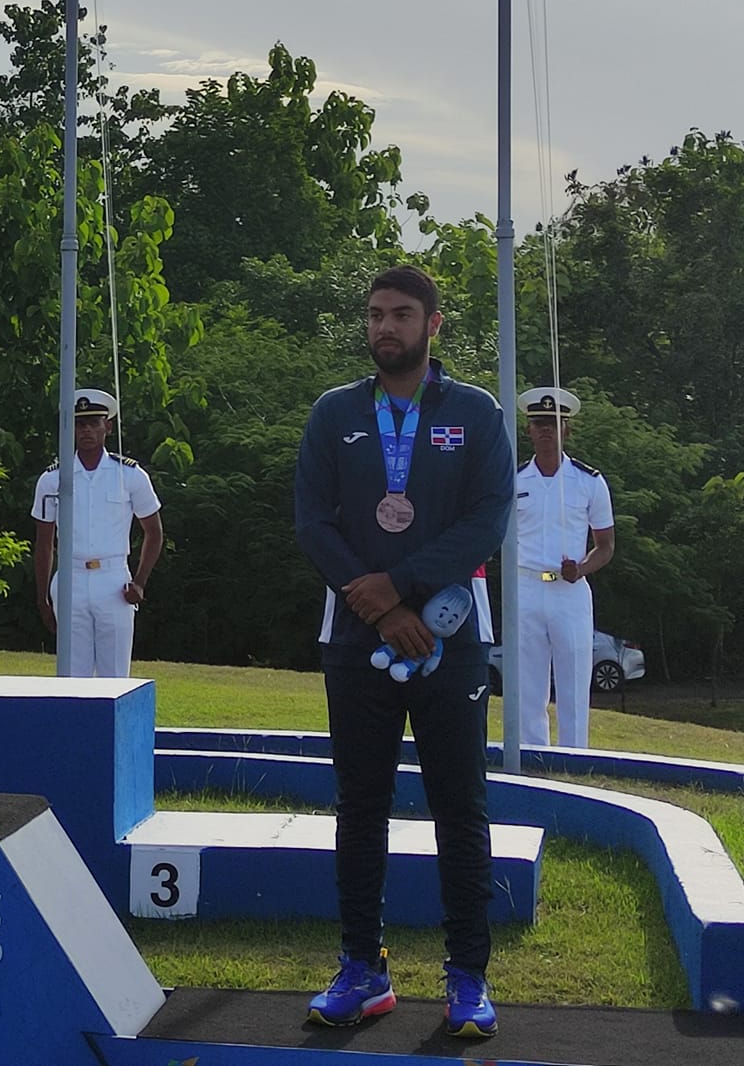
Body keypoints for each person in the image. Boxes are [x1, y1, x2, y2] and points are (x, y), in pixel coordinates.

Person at [295, 266, 514, 1039]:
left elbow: (488, 519)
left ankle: (467, 978)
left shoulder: (477, 415)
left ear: (434, 325)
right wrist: (376, 601)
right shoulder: (336, 414)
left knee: (461, 808)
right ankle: (363, 968)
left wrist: (405, 589)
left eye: (401, 315)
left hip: (452, 636)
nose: (386, 327)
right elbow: (312, 522)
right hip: (357, 635)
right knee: (361, 808)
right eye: (376, 315)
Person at [32, 389, 164, 677]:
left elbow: (153, 532)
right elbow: (44, 544)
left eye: (94, 423)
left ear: (108, 426)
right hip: (71, 579)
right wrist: (42, 597)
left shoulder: (129, 475)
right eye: (80, 424)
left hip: (113, 581)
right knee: (71, 679)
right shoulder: (53, 478)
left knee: (115, 677)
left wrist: (140, 581)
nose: (87, 431)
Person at [513, 386, 615, 750]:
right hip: (525, 587)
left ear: (566, 430)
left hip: (569, 590)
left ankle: (574, 756)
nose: (545, 430)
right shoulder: (515, 480)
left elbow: (606, 546)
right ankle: (532, 757)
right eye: (538, 423)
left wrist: (583, 567)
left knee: (573, 681)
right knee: (527, 683)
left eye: (553, 424)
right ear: (528, 430)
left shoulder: (588, 481)